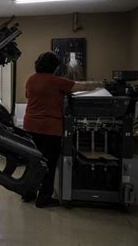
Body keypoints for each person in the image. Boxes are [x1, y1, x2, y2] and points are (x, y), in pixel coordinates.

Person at [22, 51, 100, 208]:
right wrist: (101, 84)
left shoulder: (31, 80)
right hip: (50, 129)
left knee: (33, 162)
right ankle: (43, 199)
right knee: (48, 165)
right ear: (54, 67)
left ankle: (28, 193)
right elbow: (81, 86)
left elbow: (28, 96)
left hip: (30, 126)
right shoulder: (56, 81)